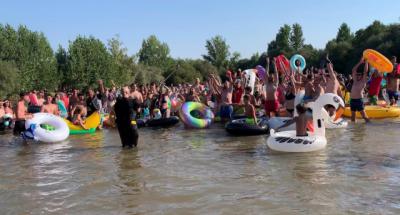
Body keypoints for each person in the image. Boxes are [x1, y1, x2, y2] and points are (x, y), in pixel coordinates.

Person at [350, 58, 370, 122]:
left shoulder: (363, 81)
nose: (358, 75)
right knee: (353, 116)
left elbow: (365, 71)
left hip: (359, 100)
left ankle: (370, 124)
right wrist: (360, 62)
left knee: (363, 116)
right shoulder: (355, 80)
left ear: (361, 76)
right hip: (352, 100)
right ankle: (354, 130)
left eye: (359, 75)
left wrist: (366, 62)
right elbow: (353, 70)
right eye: (357, 74)